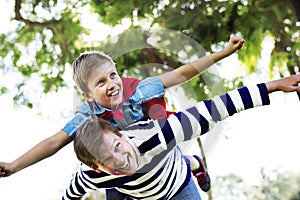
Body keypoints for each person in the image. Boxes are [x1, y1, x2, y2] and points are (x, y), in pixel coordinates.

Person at [0, 37, 244, 197]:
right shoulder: (87, 115)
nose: (111, 85)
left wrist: (223, 53)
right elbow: (54, 142)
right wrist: (13, 166)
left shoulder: (140, 91)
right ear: (87, 95)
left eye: (113, 75)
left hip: (155, 145)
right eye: (101, 83)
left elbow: (181, 74)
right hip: (121, 163)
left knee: (177, 161)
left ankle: (195, 164)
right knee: (114, 188)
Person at [63, 74, 300, 200]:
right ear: (96, 168)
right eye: (108, 161)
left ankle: (194, 163)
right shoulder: (90, 177)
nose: (121, 159)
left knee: (178, 162)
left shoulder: (157, 134)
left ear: (123, 135)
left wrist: (275, 85)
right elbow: (69, 195)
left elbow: (215, 108)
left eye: (117, 146)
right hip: (139, 194)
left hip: (178, 185)